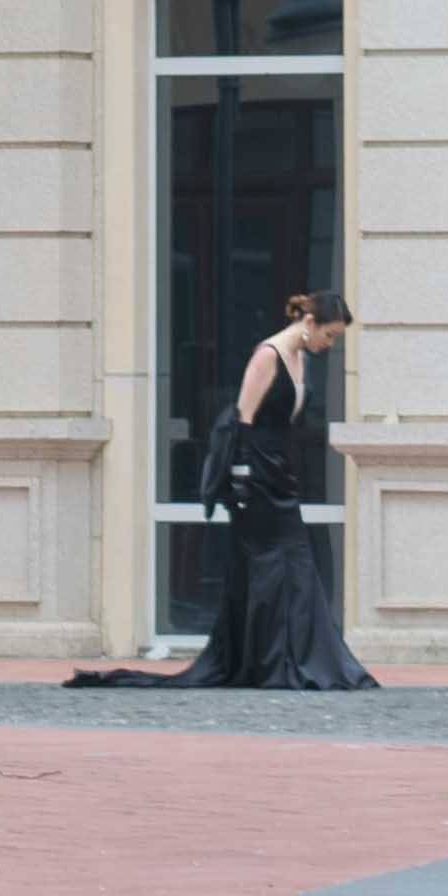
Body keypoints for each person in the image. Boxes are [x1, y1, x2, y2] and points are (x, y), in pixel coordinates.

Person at [179, 286, 374, 692]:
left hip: (280, 472)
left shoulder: (299, 358)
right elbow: (243, 418)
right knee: (276, 566)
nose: (329, 343)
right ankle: (278, 661)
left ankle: (292, 659)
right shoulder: (268, 355)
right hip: (256, 477)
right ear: (308, 323)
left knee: (290, 565)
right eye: (330, 334)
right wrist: (241, 477)